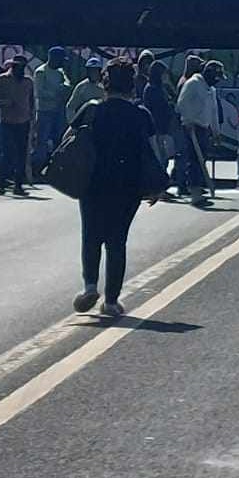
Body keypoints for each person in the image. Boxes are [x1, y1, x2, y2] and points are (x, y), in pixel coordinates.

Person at [71, 57, 158, 318]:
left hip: (93, 182)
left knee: (91, 235)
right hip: (128, 186)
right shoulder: (140, 115)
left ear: (105, 84)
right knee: (117, 241)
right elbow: (152, 152)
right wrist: (156, 185)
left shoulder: (92, 110)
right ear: (132, 85)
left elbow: (70, 141)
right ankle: (111, 301)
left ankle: (89, 286)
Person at [0, 55, 34, 196]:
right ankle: (1, 183)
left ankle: (18, 185)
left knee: (22, 154)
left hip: (24, 121)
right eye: (17, 66)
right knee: (7, 154)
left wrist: (33, 120)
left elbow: (32, 101)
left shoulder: (28, 81)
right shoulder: (1, 80)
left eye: (22, 67)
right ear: (12, 66)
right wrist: (2, 102)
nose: (20, 69)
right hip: (7, 122)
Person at [177, 60, 223, 208]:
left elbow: (213, 111)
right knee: (194, 160)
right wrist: (188, 121)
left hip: (204, 128)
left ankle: (198, 187)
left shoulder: (211, 90)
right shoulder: (193, 84)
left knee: (202, 159)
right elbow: (182, 104)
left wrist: (216, 131)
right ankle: (195, 192)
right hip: (192, 126)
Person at [32, 46, 72, 175]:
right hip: (45, 111)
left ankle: (55, 168)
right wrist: (56, 93)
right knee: (42, 141)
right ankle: (37, 168)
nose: (62, 62)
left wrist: (64, 87)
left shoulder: (60, 71)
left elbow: (67, 83)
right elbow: (39, 92)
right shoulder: (41, 72)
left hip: (58, 110)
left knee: (59, 139)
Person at [173, 55, 205, 196]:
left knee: (187, 156)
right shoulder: (186, 82)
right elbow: (182, 104)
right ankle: (182, 185)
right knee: (184, 155)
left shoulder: (188, 81)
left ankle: (187, 183)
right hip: (184, 124)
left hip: (185, 123)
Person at [143, 60, 176, 169]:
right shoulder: (152, 89)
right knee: (160, 157)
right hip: (156, 128)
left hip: (163, 128)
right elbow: (159, 108)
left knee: (165, 157)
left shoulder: (161, 88)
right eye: (164, 74)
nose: (166, 76)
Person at [65, 57, 105, 123]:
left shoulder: (107, 86)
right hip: (86, 122)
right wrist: (73, 122)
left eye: (95, 70)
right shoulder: (82, 86)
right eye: (91, 70)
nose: (93, 73)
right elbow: (70, 107)